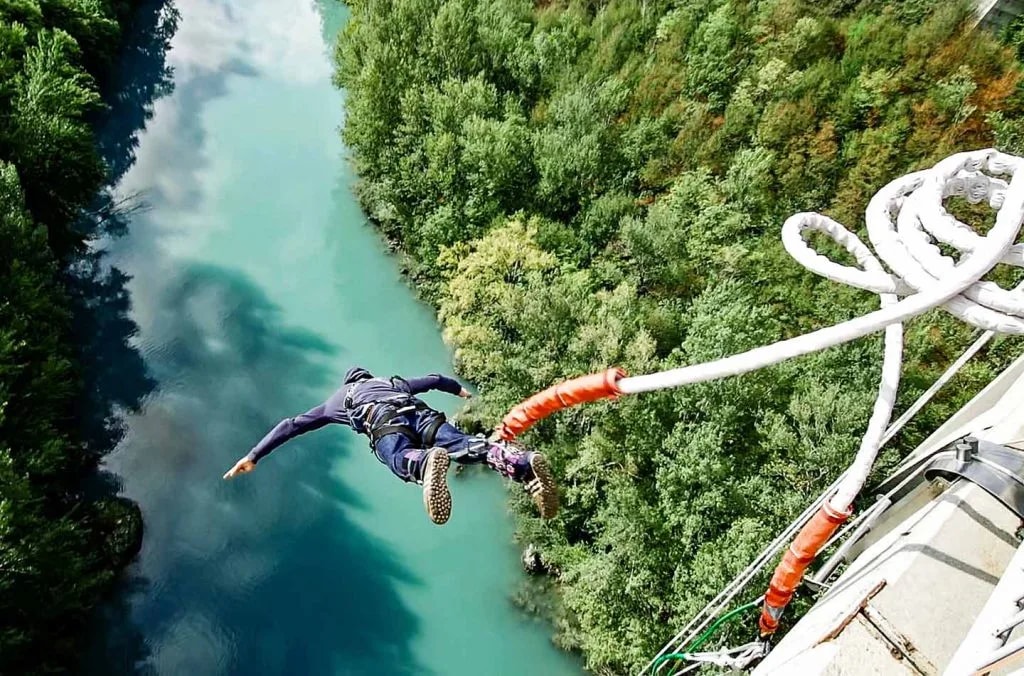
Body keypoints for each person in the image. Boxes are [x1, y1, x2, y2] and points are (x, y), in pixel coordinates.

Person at [223, 366, 558, 525]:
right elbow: (434, 379)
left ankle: (422, 465)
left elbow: (291, 425)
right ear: (367, 377)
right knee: (470, 447)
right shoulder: (391, 382)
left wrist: (254, 455)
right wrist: (459, 391)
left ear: (348, 383)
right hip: (420, 414)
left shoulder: (337, 401)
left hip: (384, 423)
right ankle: (523, 464)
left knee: (398, 458)